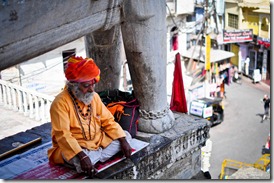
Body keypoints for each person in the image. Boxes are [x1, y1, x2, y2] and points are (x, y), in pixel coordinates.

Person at [47, 56, 132, 178]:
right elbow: (63, 135)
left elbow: (108, 121)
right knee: (78, 159)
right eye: (87, 85)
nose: (91, 89)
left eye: (93, 84)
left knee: (126, 137)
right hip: (77, 147)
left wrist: (122, 141)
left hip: (98, 141)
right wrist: (82, 156)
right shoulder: (60, 103)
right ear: (73, 85)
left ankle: (95, 157)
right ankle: (91, 159)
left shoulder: (94, 97)